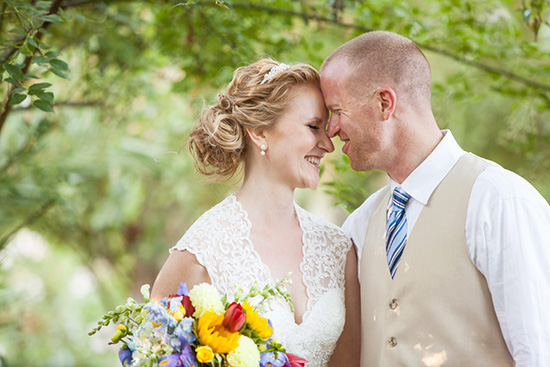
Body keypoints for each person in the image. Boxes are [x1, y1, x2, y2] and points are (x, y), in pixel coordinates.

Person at [320, 31, 550, 367]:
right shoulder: (361, 222)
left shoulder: (499, 201)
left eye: (336, 110)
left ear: (385, 103)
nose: (331, 129)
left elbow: (540, 352)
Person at [151, 59, 361, 366]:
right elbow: (155, 353)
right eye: (313, 126)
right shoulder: (203, 250)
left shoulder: (338, 248)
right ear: (260, 132)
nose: (327, 144)